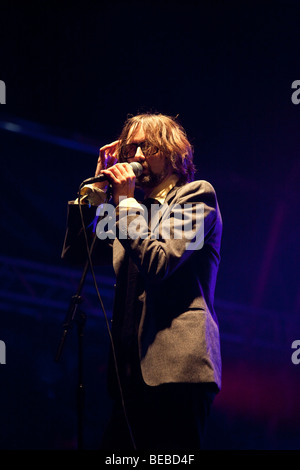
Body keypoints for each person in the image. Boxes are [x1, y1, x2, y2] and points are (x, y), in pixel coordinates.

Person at [61, 112, 223, 452]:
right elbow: (81, 253)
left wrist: (124, 202)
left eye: (146, 148)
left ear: (172, 152)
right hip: (128, 375)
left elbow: (159, 262)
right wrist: (96, 188)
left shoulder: (196, 197)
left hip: (178, 372)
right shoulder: (129, 208)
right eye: (130, 148)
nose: (135, 157)